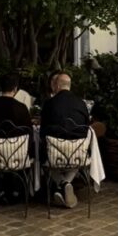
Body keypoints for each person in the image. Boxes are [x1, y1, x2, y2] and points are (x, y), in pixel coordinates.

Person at [40, 73, 90, 209]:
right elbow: (86, 128)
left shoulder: (49, 104)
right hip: (78, 153)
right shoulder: (81, 103)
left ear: (56, 85)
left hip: (54, 154)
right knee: (78, 157)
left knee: (43, 156)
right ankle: (67, 183)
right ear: (69, 85)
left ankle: (62, 183)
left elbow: (42, 131)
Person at [0, 74, 33, 206]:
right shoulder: (21, 108)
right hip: (18, 156)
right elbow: (29, 132)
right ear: (15, 89)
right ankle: (17, 190)